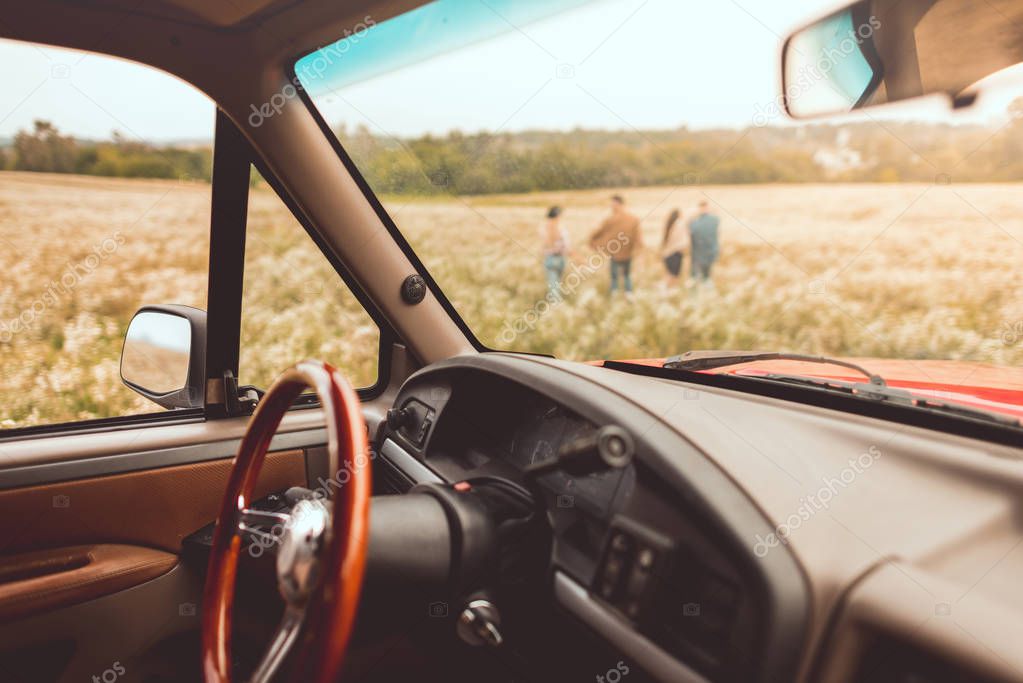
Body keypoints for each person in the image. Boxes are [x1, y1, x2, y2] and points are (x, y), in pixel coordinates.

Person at [589, 195, 642, 297]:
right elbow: (638, 238)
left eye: (614, 205)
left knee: (618, 275)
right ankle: (627, 293)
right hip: (621, 252)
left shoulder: (613, 220)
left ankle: (618, 293)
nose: (612, 207)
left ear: (620, 205)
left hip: (619, 253)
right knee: (624, 275)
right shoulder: (630, 219)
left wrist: (592, 241)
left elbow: (599, 232)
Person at [688, 200, 720, 284]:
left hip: (701, 251)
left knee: (698, 273)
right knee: (705, 273)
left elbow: (690, 230)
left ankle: (700, 285)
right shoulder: (713, 220)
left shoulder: (695, 221)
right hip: (706, 250)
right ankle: (704, 284)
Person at [540, 205, 569, 296]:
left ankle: (555, 304)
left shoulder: (544, 227)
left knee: (553, 284)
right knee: (556, 283)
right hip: (560, 257)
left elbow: (543, 244)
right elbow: (566, 244)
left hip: (550, 257)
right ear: (558, 215)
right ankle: (556, 305)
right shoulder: (560, 228)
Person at [660, 208, 688, 290]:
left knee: (669, 275)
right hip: (675, 253)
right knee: (674, 276)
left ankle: (666, 291)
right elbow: (684, 240)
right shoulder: (679, 224)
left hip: (667, 254)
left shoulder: (670, 225)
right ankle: (668, 292)